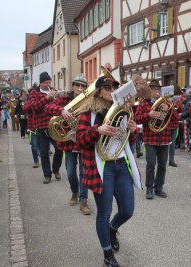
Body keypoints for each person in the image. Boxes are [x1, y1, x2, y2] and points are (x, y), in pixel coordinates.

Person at [76, 75, 141, 267]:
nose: (113, 90)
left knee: (127, 210)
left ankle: (113, 229)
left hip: (121, 164)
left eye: (115, 86)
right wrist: (97, 131)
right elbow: (79, 140)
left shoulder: (124, 111)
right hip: (102, 167)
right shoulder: (89, 113)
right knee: (104, 212)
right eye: (109, 87)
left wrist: (133, 130)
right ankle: (107, 254)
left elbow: (128, 142)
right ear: (99, 92)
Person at [45, 74, 91, 215]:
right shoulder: (64, 98)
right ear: (73, 86)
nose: (79, 88)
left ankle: (83, 201)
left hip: (83, 142)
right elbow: (48, 107)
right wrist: (62, 110)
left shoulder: (89, 100)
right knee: (71, 172)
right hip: (68, 143)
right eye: (77, 85)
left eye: (83, 86)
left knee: (84, 173)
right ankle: (75, 192)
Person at [135, 79, 171, 199]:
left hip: (164, 138)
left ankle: (159, 188)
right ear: (149, 91)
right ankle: (149, 188)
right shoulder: (144, 103)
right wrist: (148, 115)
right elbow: (137, 118)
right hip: (150, 139)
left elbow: (175, 119)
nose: (156, 92)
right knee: (151, 164)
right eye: (154, 89)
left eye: (158, 89)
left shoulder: (167, 103)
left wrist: (169, 110)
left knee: (162, 165)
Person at [28, 72, 63, 184]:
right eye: (46, 83)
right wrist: (47, 98)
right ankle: (47, 175)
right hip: (41, 126)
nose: (48, 84)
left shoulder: (54, 91)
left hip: (54, 126)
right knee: (44, 152)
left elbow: (59, 106)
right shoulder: (34, 93)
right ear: (41, 83)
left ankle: (56, 169)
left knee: (59, 148)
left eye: (49, 82)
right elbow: (34, 107)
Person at [23, 88, 39, 168]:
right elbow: (25, 109)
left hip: (41, 127)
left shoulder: (40, 101)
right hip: (32, 127)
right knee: (34, 146)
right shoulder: (28, 103)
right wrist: (32, 103)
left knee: (44, 147)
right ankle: (35, 161)